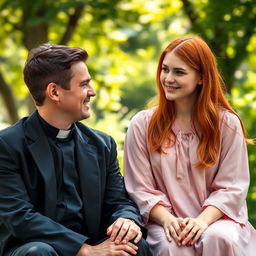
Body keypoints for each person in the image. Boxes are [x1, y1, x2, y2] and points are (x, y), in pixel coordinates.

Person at [0, 43, 152, 256]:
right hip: (35, 247)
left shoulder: (102, 144)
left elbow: (118, 201)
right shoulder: (7, 145)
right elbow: (20, 217)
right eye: (84, 84)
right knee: (39, 252)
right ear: (54, 92)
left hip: (95, 244)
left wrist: (126, 219)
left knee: (134, 247)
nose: (92, 92)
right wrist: (84, 250)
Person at [124, 35, 256, 255]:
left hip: (217, 219)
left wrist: (202, 222)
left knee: (219, 237)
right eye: (165, 69)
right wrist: (169, 221)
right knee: (170, 245)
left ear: (201, 77)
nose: (168, 78)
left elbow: (232, 187)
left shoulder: (226, 125)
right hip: (163, 222)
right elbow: (140, 188)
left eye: (179, 72)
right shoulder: (142, 124)